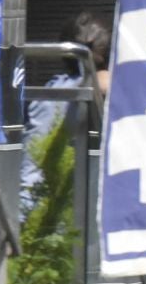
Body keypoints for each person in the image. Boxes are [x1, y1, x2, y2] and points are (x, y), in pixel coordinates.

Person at [18, 11, 112, 214]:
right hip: (81, 212)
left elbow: (32, 163)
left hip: (39, 204)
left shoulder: (50, 92)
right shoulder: (107, 88)